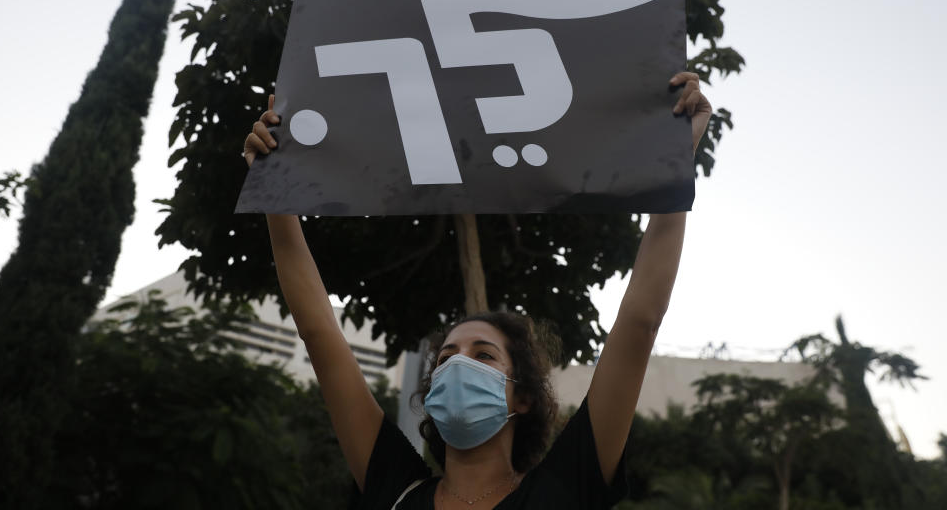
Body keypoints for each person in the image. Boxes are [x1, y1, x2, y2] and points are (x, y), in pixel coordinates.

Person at [242, 72, 711, 509]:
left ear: (522, 397)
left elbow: (640, 321)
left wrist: (674, 163)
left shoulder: (567, 484)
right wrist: (275, 194)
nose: (458, 364)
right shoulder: (397, 487)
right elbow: (319, 332)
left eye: (483, 355)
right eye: (446, 358)